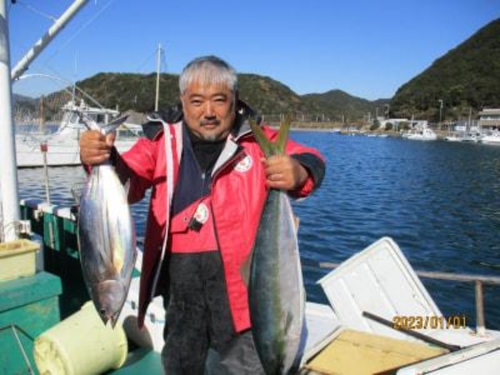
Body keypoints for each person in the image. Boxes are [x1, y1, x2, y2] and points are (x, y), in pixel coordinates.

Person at [79, 55, 325, 374]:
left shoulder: (256, 142)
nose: (208, 112)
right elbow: (129, 183)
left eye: (218, 100)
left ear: (234, 101)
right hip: (182, 305)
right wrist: (101, 157)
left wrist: (300, 171)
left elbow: (311, 157)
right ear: (183, 101)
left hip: (245, 307)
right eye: (196, 101)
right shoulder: (160, 142)